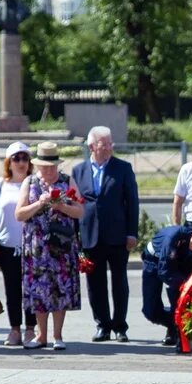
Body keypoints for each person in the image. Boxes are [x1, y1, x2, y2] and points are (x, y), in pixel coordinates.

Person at [71, 127, 139, 343]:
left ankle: (120, 326)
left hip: (117, 235)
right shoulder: (78, 171)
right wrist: (75, 237)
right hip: (89, 235)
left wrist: (132, 233)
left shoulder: (123, 168)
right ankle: (102, 325)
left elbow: (132, 203)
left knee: (119, 281)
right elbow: (72, 203)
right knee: (94, 283)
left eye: (110, 144)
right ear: (92, 147)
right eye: (104, 144)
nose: (109, 148)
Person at [16, 142, 84, 351]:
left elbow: (80, 211)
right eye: (45, 166)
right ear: (38, 166)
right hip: (36, 247)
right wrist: (39, 204)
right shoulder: (30, 181)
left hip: (61, 246)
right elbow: (19, 214)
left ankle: (58, 335)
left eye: (52, 166)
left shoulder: (67, 180)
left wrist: (61, 206)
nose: (49, 170)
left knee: (59, 288)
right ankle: (41, 335)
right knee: (39, 290)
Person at [141, 218, 192, 348]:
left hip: (179, 264)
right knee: (150, 311)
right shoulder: (174, 239)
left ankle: (180, 334)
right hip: (154, 261)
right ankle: (172, 324)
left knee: (179, 302)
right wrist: (188, 282)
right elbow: (165, 272)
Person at [0, 142, 36, 347]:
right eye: (16, 158)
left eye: (25, 158)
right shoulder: (1, 184)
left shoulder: (34, 182)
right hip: (8, 246)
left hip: (31, 245)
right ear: (9, 162)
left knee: (31, 289)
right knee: (12, 289)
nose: (21, 162)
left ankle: (31, 329)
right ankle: (15, 328)